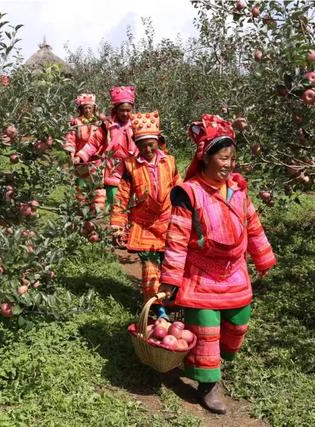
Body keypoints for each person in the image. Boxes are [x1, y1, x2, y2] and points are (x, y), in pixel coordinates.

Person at [158, 114, 276, 415]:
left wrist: (263, 257)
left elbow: (252, 224)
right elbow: (176, 239)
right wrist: (170, 280)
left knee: (238, 325)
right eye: (222, 158)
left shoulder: (237, 190)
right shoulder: (189, 193)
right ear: (205, 157)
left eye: (232, 159)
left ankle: (210, 361)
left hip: (234, 271)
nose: (228, 164)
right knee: (207, 333)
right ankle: (208, 385)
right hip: (202, 274)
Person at [110, 111, 180, 314]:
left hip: (168, 222)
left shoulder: (170, 162)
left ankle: (171, 301)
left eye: (151, 144)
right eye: (142, 145)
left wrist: (188, 212)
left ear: (158, 141)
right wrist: (117, 223)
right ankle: (158, 310)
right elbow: (122, 196)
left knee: (171, 264)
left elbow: (179, 188)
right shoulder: (131, 166)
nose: (147, 149)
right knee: (150, 268)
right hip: (144, 225)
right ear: (136, 145)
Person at [73, 85, 137, 209]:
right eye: (121, 110)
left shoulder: (137, 124)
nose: (125, 113)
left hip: (134, 167)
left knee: (134, 202)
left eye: (128, 110)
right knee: (115, 202)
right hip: (114, 168)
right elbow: (93, 143)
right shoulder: (107, 126)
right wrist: (80, 156)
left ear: (132, 109)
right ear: (115, 110)